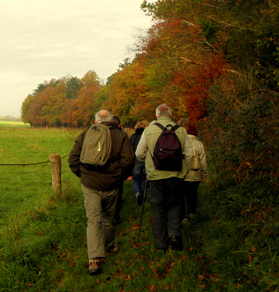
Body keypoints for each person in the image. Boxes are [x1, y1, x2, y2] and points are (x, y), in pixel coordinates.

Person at [69, 110, 135, 274]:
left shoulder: (85, 135)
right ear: (112, 121)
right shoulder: (121, 136)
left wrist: (84, 175)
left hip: (90, 185)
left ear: (96, 121)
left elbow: (73, 160)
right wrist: (118, 176)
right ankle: (109, 247)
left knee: (93, 220)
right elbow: (128, 160)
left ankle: (94, 260)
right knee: (108, 218)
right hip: (112, 185)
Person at [135, 104, 193, 251]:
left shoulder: (148, 131)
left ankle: (160, 244)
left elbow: (139, 154)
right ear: (171, 115)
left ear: (156, 115)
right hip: (176, 174)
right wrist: (185, 170)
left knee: (158, 207)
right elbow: (190, 154)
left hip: (155, 176)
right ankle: (174, 236)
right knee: (175, 205)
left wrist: (149, 163)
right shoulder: (180, 130)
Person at [181, 123, 208, 222]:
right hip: (195, 174)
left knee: (183, 194)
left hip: (183, 173)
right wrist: (204, 174)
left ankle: (184, 216)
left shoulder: (181, 142)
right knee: (193, 194)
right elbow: (203, 160)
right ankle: (191, 212)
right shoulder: (199, 144)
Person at [129, 120, 148, 206]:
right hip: (145, 161)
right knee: (144, 179)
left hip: (135, 162)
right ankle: (143, 196)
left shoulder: (133, 137)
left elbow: (130, 150)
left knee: (136, 180)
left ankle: (137, 193)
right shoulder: (147, 136)